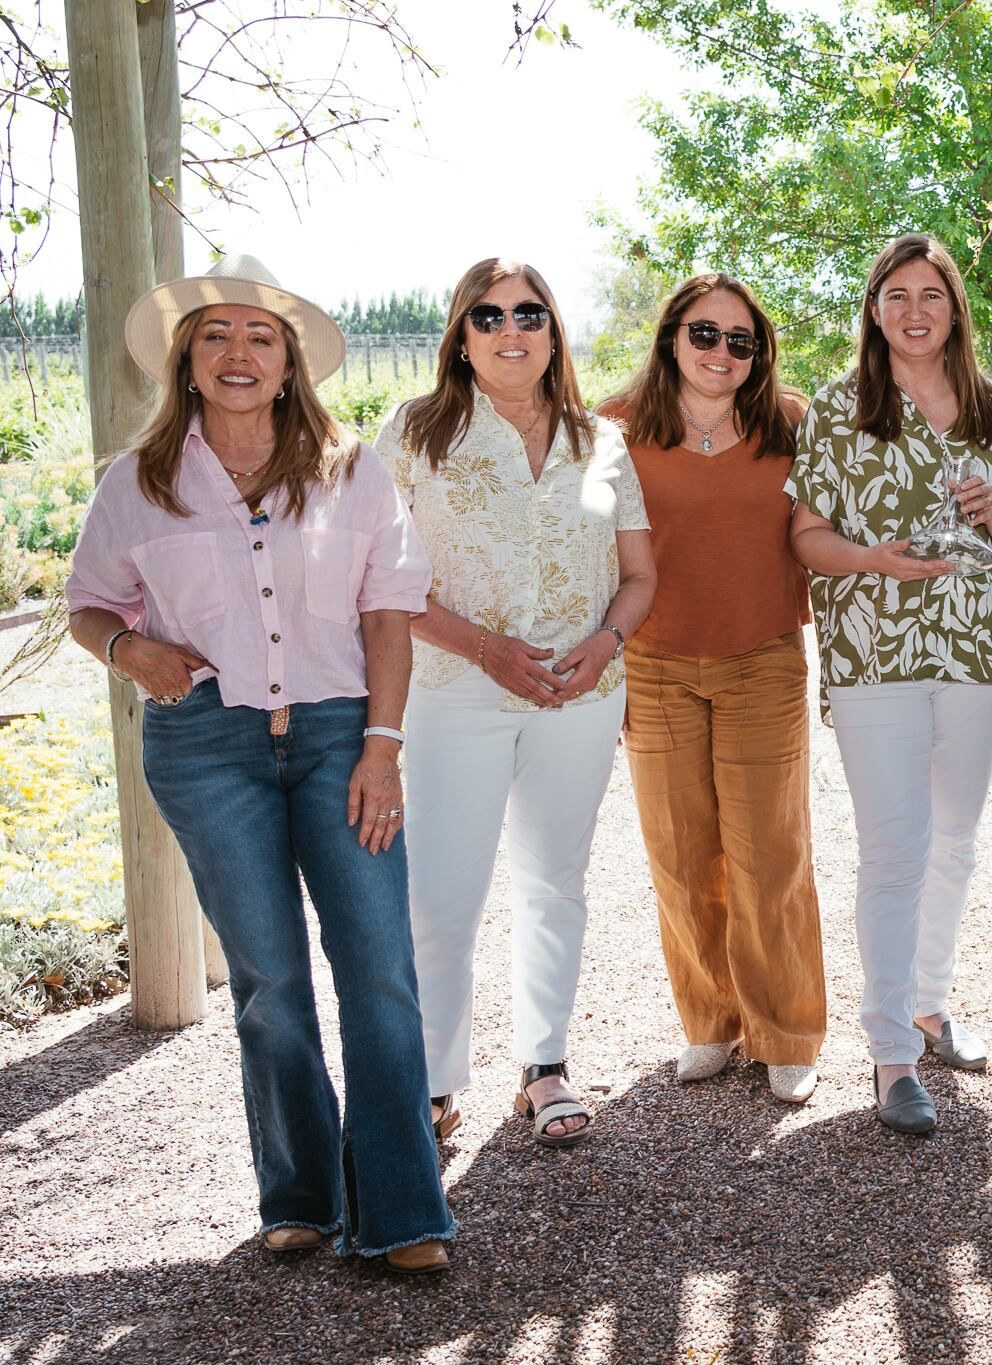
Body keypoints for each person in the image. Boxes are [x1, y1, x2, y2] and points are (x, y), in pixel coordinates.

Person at [66, 255, 453, 1273]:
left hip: (339, 738)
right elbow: (87, 606)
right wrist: (126, 648)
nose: (237, 353)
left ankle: (404, 1214)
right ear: (188, 364)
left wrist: (383, 745)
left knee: (378, 972)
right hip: (204, 749)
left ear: (289, 368)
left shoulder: (351, 469)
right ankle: (300, 1199)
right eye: (215, 336)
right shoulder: (137, 484)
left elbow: (389, 614)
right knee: (271, 982)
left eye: (260, 338)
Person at [375, 259, 656, 1150]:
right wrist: (486, 647)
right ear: (461, 334)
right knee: (444, 894)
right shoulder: (413, 434)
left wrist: (606, 641)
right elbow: (380, 583)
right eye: (488, 315)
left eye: (529, 312)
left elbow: (641, 574)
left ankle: (544, 1065)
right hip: (459, 693)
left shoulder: (597, 440)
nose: (511, 328)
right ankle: (430, 1082)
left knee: (553, 881)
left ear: (551, 330)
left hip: (579, 696)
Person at [787, 233, 992, 1134]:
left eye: (930, 293)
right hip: (875, 652)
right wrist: (872, 562)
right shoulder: (838, 408)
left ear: (954, 307)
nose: (913, 310)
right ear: (873, 309)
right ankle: (891, 1053)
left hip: (974, 650)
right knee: (895, 847)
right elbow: (804, 538)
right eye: (895, 294)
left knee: (957, 839)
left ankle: (931, 1004)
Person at [601, 274, 826, 1105]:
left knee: (771, 852)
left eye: (742, 340)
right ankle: (711, 1021)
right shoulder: (614, 428)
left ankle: (787, 1030)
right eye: (705, 334)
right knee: (680, 852)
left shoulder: (791, 423)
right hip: (653, 665)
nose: (723, 353)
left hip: (762, 659)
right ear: (671, 338)